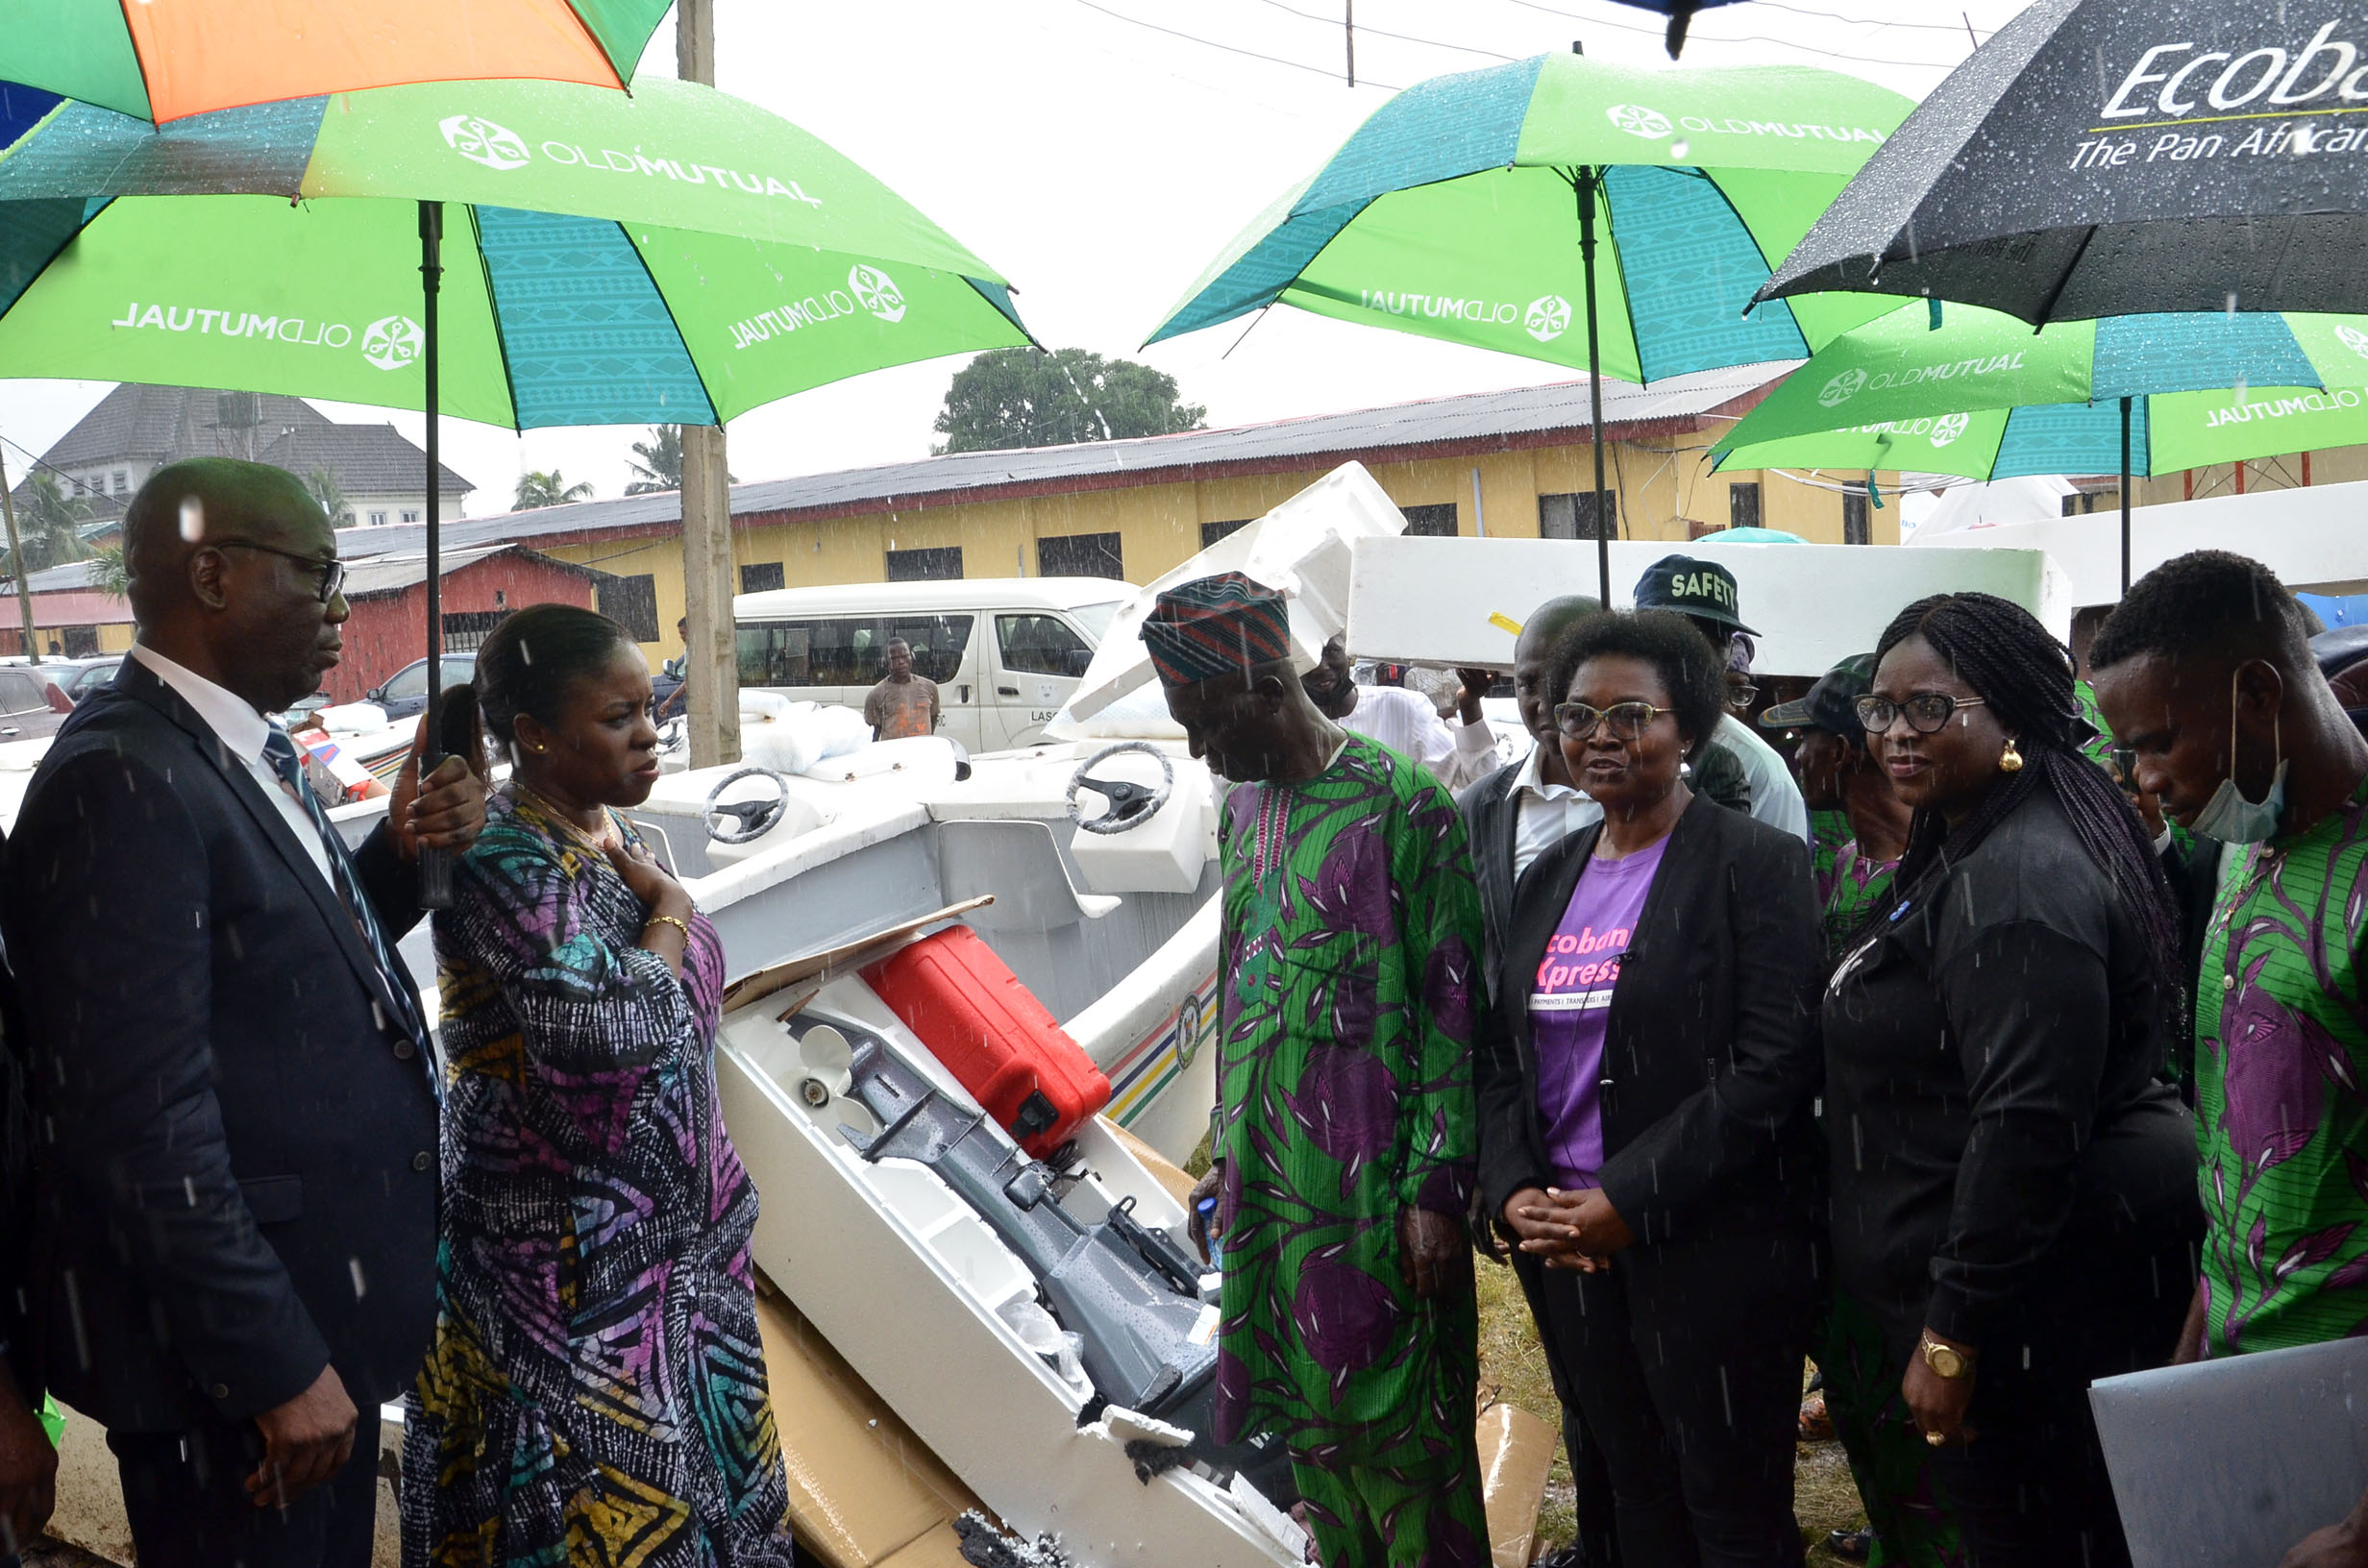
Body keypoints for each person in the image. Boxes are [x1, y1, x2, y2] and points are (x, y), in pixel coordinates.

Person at [1, 458, 487, 1567]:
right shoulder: (123, 777)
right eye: (320, 575)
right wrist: (273, 1362)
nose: (340, 611)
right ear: (213, 576)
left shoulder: (232, 746)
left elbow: (271, 970)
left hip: (317, 1333)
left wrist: (400, 855)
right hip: (241, 1380)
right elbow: (134, 1120)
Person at [403, 603, 794, 1563]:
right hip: (568, 1290)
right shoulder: (500, 857)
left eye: (648, 709)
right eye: (618, 718)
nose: (649, 733)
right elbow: (604, 1031)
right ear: (535, 735)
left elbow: (679, 1019)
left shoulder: (610, 832)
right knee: (602, 1527)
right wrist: (671, 910)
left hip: (678, 1268)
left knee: (710, 1519)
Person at [1825, 592, 2199, 1568]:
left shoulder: (2020, 880)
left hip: (2032, 1312)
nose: (1896, 733)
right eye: (1880, 709)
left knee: (2044, 1538)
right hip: (2034, 1293)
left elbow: (2025, 1125)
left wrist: (1951, 1336)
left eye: (1930, 708)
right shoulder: (1978, 838)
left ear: (2016, 716)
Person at [1152, 575, 1489, 1568]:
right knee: (1313, 1439)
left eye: (1204, 721)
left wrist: (1436, 1190)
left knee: (1407, 1441)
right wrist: (1226, 1150)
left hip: (1375, 1191)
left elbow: (1453, 1011)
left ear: (1267, 688)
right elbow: (1240, 987)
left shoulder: (1405, 805)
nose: (1194, 749)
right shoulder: (1241, 812)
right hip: (1273, 1190)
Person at [1477, 608, 1822, 1568]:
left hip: (1708, 1247)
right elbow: (1500, 1054)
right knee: (1630, 1491)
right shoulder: (1548, 877)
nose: (1600, 737)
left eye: (1631, 715)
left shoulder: (1755, 865)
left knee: (1731, 1505)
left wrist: (1627, 1198)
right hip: (1569, 1252)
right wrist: (1514, 1188)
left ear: (1690, 728)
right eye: (1577, 716)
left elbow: (1774, 1066)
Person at [2085, 554, 2368, 1568]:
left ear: (2255, 692)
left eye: (2157, 742)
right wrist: (2192, 1364)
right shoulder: (2245, 846)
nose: (2144, 780)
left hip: (2344, 1403)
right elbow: (2241, 1151)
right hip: (2245, 1381)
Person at [1630, 554, 1810, 843]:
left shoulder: (1762, 770)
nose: (1697, 657)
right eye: (1678, 636)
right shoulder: (1592, 739)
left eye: (1716, 642)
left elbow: (1778, 868)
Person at [1760, 654, 1910, 958]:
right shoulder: (1848, 858)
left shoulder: (1927, 872)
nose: (1798, 755)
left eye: (1804, 739)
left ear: (1839, 752)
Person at [1302, 634, 1500, 791]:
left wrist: (1469, 706)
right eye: (1306, 657)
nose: (1321, 667)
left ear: (1348, 652)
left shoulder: (1403, 708)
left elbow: (1477, 782)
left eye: (1331, 651)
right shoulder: (1290, 733)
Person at [864, 635, 940, 740]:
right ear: (885, 662)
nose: (900, 662)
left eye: (904, 656)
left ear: (912, 657)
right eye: (894, 658)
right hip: (894, 750)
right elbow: (873, 736)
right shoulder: (876, 694)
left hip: (923, 749)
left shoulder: (930, 687)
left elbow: (933, 718)